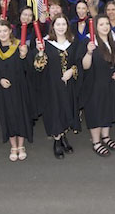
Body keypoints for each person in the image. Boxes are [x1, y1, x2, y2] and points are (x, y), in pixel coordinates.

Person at [32, 16, 85, 159]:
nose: (61, 27)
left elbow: (78, 62)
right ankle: (57, 141)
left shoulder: (73, 43)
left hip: (68, 84)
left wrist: (72, 71)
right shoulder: (45, 43)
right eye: (58, 24)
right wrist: (40, 52)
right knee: (55, 111)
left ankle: (63, 137)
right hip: (51, 85)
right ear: (53, 27)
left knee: (66, 109)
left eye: (63, 24)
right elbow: (38, 67)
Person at [0, 20, 34, 162]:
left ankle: (21, 145)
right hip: (3, 89)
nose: (2, 34)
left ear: (10, 31)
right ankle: (13, 146)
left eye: (5, 31)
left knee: (21, 114)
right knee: (8, 115)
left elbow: (29, 68)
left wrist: (24, 56)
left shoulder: (20, 46)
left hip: (19, 87)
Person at [80, 16, 115, 156]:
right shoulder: (89, 41)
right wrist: (89, 52)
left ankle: (106, 136)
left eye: (107, 24)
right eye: (101, 24)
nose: (105, 26)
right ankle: (96, 141)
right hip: (94, 83)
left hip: (109, 82)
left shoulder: (112, 39)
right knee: (95, 111)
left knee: (107, 108)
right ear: (95, 27)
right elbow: (85, 66)